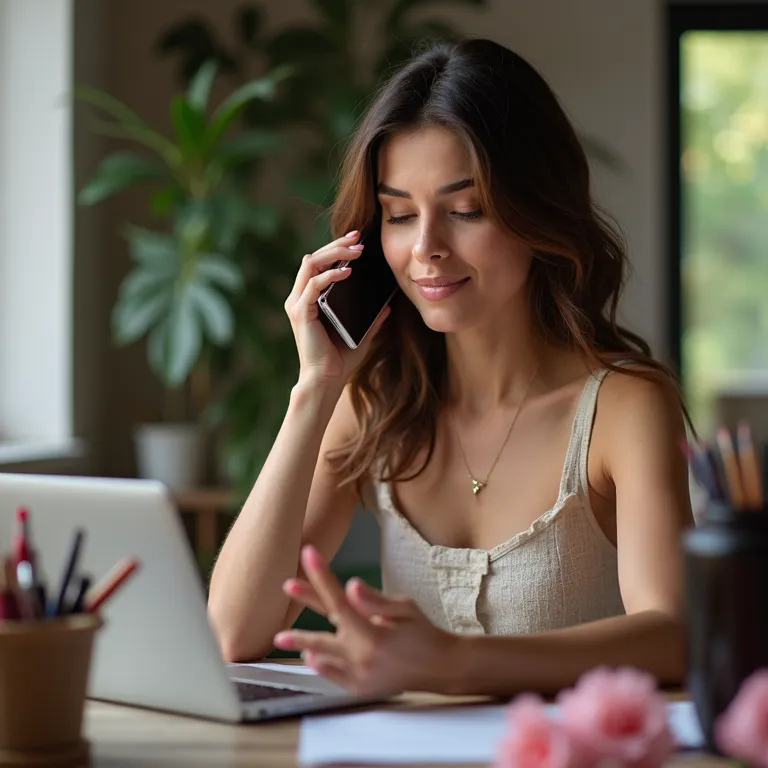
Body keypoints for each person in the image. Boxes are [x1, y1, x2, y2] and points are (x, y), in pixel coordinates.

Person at [208, 37, 694, 697]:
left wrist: (450, 661)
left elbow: (674, 634)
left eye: (465, 210)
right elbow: (235, 632)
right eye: (400, 215)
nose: (426, 248)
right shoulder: (374, 402)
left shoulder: (623, 407)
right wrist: (314, 389)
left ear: (536, 211)